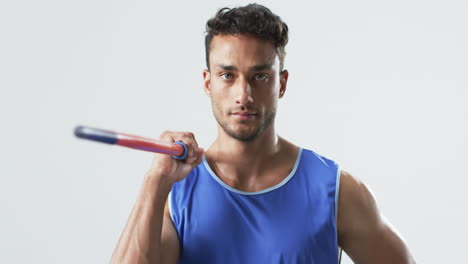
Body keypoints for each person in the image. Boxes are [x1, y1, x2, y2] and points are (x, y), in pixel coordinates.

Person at [111, 4, 416, 264]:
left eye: (259, 76)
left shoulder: (337, 190)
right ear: (208, 83)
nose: (243, 94)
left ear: (280, 84)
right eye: (227, 75)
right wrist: (155, 182)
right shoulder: (173, 193)